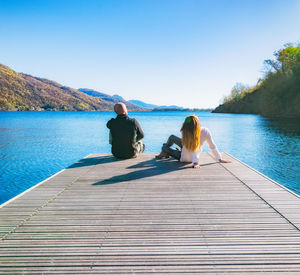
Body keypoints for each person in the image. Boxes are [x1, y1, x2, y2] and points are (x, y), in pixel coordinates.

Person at [156, 115, 231, 168]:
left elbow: (192, 149)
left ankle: (164, 153)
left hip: (184, 158)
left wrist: (195, 162)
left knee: (164, 147)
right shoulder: (205, 130)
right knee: (172, 137)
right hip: (186, 148)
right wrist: (219, 158)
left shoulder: (188, 131)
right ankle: (165, 153)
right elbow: (212, 146)